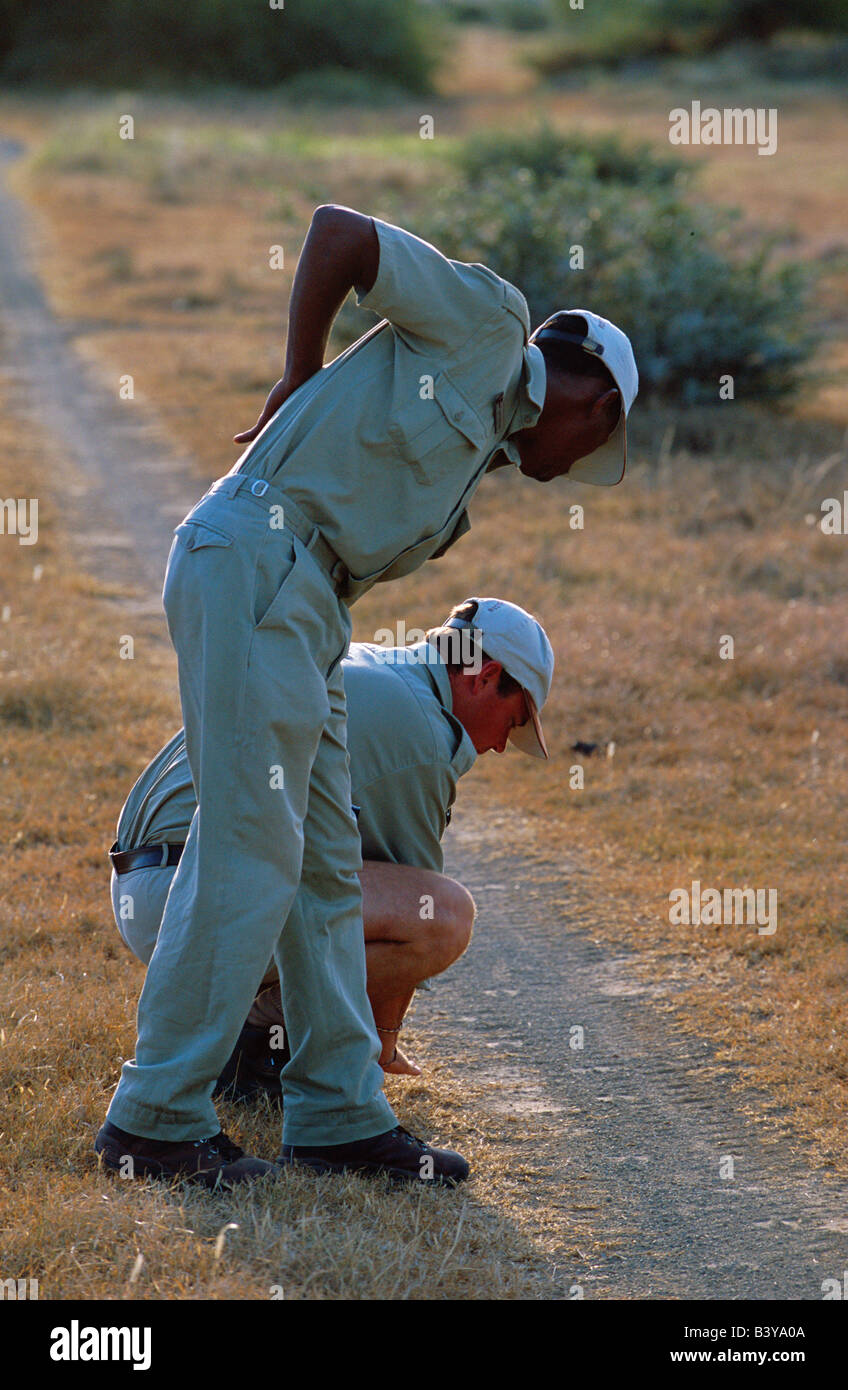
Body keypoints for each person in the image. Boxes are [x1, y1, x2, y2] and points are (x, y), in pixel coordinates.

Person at [94, 205, 637, 1191]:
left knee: (325, 870)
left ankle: (338, 1112)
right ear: (595, 404)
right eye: (591, 448)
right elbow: (340, 234)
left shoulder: (476, 467)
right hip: (256, 561)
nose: (568, 471)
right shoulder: (489, 324)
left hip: (310, 605)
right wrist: (299, 372)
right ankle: (154, 1120)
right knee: (251, 850)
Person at [108, 597, 553, 1097]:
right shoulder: (424, 732)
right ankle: (258, 1046)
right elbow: (414, 906)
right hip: (186, 894)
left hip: (150, 880)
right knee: (446, 916)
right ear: (484, 676)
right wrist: (382, 1045)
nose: (498, 746)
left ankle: (250, 1036)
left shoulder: (380, 666)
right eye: (512, 723)